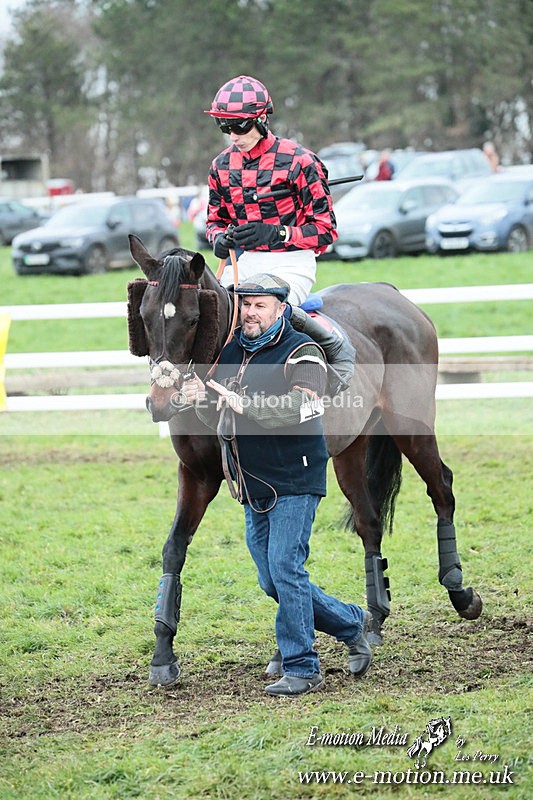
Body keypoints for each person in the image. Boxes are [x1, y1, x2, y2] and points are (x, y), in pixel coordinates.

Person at [181, 273, 372, 697]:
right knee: (272, 581)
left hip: (295, 478)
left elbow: (304, 407)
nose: (250, 312)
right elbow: (224, 413)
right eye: (246, 304)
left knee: (286, 569)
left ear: (281, 309)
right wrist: (203, 399)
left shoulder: (301, 352)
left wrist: (246, 404)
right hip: (253, 483)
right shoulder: (234, 351)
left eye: (260, 305)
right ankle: (351, 622)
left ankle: (303, 666)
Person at [204, 74, 355, 394]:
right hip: (243, 262)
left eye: (240, 126)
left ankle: (331, 353)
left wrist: (277, 234)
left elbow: (326, 231)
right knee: (209, 312)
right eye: (224, 126)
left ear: (261, 119)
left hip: (292, 262)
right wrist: (220, 239)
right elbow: (214, 222)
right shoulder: (220, 167)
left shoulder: (300, 161)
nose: (232, 135)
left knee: (260, 311)